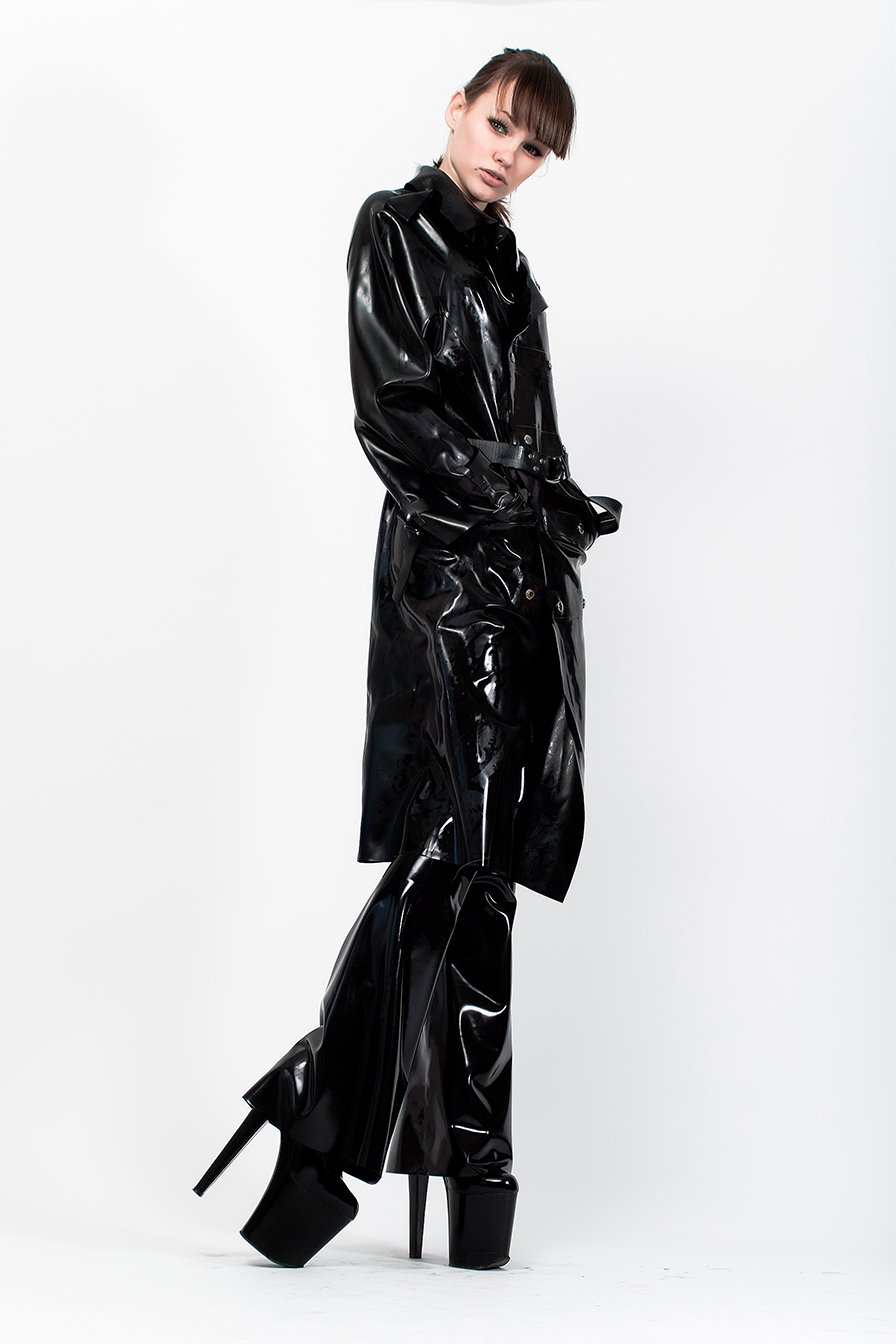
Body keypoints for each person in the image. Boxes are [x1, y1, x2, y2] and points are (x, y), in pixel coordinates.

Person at [193, 46, 621, 1272]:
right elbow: (393, 414)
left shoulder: (508, 262)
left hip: (523, 588)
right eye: (498, 126)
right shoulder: (395, 229)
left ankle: (473, 1154)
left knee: (484, 872)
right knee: (452, 851)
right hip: (447, 585)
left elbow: (516, 428)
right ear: (456, 108)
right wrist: (522, 484)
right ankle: (329, 1112)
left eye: (532, 147)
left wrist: (561, 504)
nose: (509, 156)